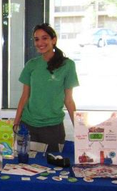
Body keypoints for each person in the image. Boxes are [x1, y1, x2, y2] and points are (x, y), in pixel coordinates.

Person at [14, 23, 79, 152]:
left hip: (53, 128)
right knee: (25, 165)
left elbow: (69, 100)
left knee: (53, 167)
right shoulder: (31, 65)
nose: (40, 43)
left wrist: (78, 128)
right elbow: (24, 97)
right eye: (36, 39)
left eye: (45, 38)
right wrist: (16, 124)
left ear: (53, 40)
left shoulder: (68, 65)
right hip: (28, 125)